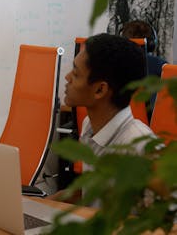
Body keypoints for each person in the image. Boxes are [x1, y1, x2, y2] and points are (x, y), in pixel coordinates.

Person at [49, 33, 155, 202]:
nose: (67, 77)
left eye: (76, 74)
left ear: (100, 90)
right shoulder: (89, 126)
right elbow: (88, 192)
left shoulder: (142, 148)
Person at [120, 20, 168, 116]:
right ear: (152, 44)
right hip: (150, 127)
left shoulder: (110, 64)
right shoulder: (162, 66)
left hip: (120, 123)